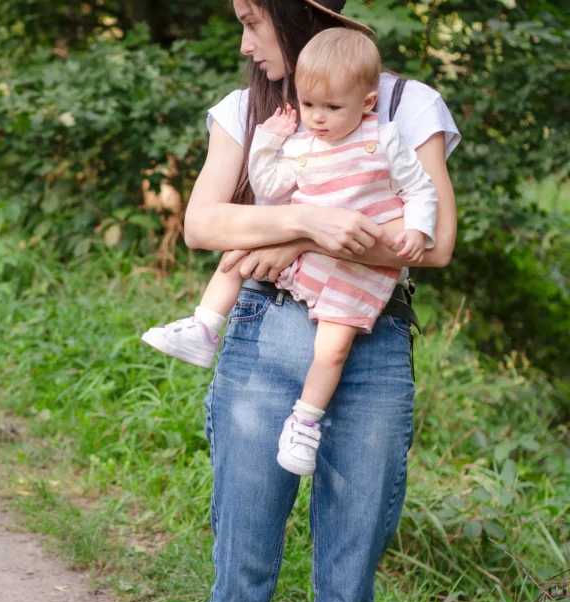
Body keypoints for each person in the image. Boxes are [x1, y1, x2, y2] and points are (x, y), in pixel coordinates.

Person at [181, 0, 460, 602]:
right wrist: (310, 224)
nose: (246, 44)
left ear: (297, 12)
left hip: (370, 347)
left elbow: (439, 243)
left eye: (253, 22)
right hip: (259, 337)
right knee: (239, 590)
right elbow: (201, 226)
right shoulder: (243, 111)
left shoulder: (403, 104)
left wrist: (287, 233)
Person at [142, 27, 439, 477]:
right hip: (299, 264)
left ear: (366, 103)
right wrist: (268, 143)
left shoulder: (386, 138)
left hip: (354, 272)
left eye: (331, 107)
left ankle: (304, 422)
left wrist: (416, 227)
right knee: (238, 253)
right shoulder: (302, 143)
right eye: (308, 105)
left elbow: (420, 190)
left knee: (331, 349)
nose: (316, 118)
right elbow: (269, 187)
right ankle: (204, 327)